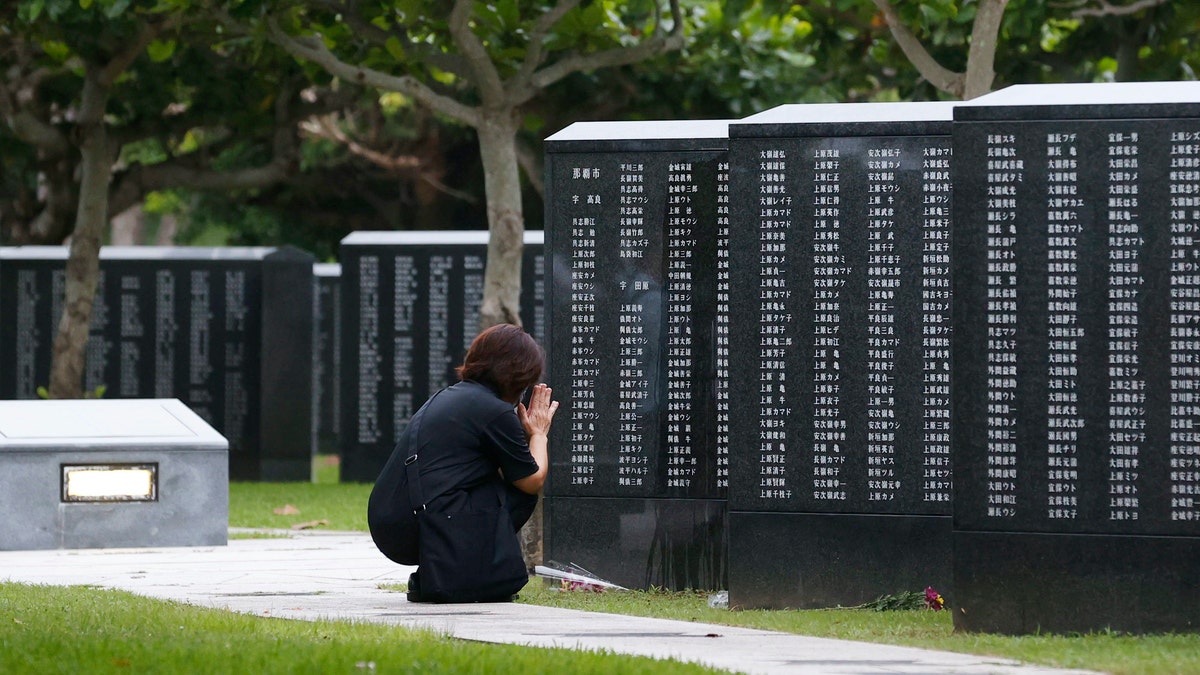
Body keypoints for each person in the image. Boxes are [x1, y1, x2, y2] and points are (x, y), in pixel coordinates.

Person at [367, 323, 559, 603]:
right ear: (516, 376)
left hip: (392, 522)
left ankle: (452, 568)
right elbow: (532, 480)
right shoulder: (493, 411)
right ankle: (473, 572)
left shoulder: (452, 396)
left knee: (494, 484)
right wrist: (538, 433)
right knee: (520, 494)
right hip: (418, 525)